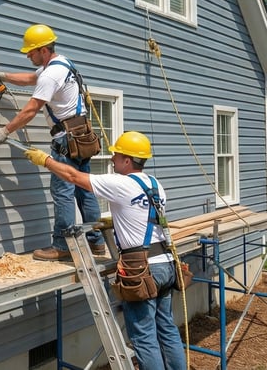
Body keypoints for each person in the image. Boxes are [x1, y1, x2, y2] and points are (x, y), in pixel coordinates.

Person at [24, 131, 187, 370]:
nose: (112, 159)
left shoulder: (120, 184)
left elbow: (73, 176)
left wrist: (45, 161)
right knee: (167, 328)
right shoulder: (155, 185)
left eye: (116, 156)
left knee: (144, 337)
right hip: (165, 263)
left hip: (141, 270)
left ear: (128, 160)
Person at [0, 24, 105, 259]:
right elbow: (31, 78)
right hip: (81, 136)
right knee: (84, 189)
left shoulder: (50, 74)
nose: (28, 55)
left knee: (63, 192)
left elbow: (31, 109)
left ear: (43, 49)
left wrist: (5, 131)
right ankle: (96, 241)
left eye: (30, 52)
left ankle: (61, 246)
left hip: (65, 140)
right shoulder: (61, 64)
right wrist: (4, 76)